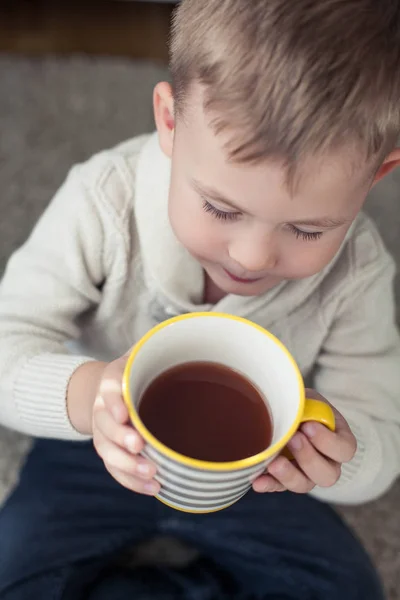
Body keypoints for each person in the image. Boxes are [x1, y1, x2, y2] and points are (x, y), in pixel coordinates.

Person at [0, 0, 400, 598]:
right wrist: (88, 398)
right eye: (221, 208)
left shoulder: (358, 271)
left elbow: (383, 435)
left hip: (260, 478)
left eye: (308, 229)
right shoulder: (103, 202)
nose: (253, 257)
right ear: (169, 120)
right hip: (98, 450)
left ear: (377, 175)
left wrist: (338, 454)